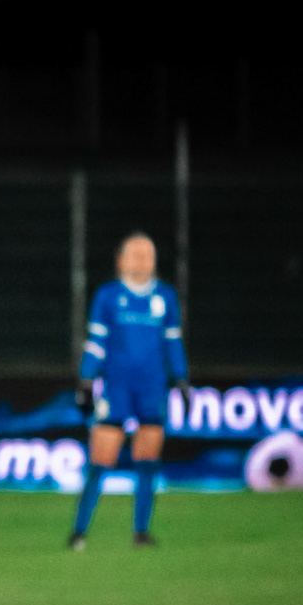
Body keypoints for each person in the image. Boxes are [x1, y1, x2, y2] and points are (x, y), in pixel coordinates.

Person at [68, 232, 191, 549]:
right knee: (101, 461)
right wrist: (85, 380)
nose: (142, 260)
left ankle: (141, 532)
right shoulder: (108, 296)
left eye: (147, 254)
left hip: (151, 389)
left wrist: (182, 379)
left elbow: (173, 342)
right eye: (135, 254)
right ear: (121, 260)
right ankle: (79, 532)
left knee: (147, 460)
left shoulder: (165, 296)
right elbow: (96, 342)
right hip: (117, 388)